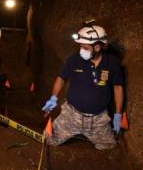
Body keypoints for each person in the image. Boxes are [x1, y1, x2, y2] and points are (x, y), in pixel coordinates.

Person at [42, 20, 124, 150]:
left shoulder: (112, 63)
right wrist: (53, 98)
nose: (81, 51)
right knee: (48, 139)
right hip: (71, 115)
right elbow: (61, 78)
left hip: (99, 118)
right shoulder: (74, 60)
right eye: (80, 47)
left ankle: (91, 135)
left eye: (85, 48)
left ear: (97, 47)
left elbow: (118, 87)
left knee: (109, 146)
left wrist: (118, 114)